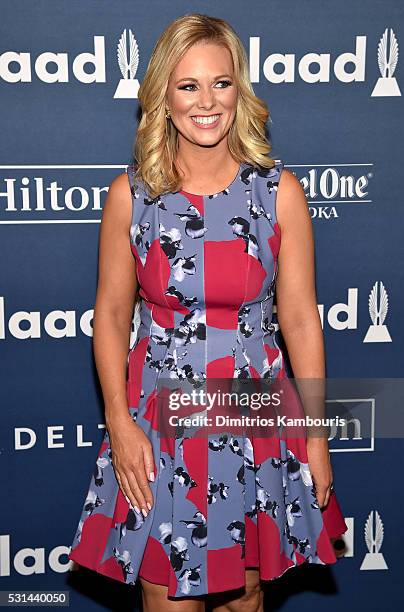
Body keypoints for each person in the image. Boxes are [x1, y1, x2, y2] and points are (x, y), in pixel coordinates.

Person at [68, 13, 347, 612]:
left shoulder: (278, 193)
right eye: (188, 85)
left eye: (221, 83)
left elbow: (299, 320)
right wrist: (118, 421)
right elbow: (112, 316)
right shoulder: (133, 196)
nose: (206, 101)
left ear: (239, 90)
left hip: (256, 419)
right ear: (162, 97)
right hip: (159, 425)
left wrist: (317, 438)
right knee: (166, 595)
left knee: (245, 595)